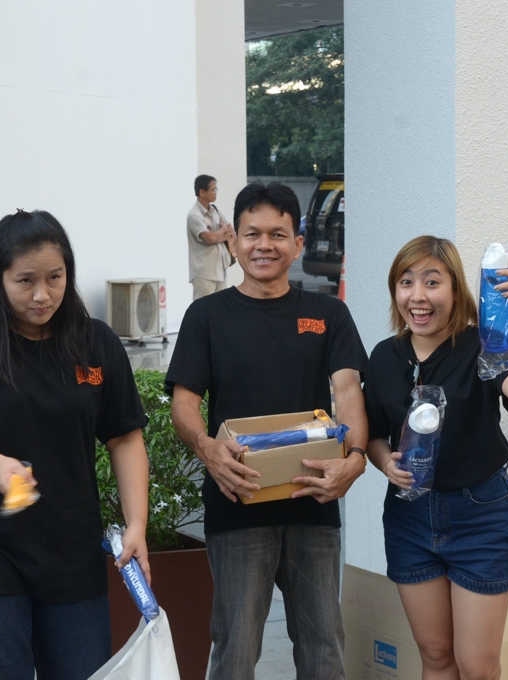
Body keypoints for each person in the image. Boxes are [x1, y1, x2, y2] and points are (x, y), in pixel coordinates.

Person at [0, 210, 150, 680]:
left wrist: (136, 525)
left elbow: (125, 438)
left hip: (72, 551)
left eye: (55, 278)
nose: (42, 294)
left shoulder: (96, 343)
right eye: (25, 281)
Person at [166, 181, 369, 680]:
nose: (264, 245)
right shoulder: (206, 316)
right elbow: (184, 404)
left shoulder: (328, 314)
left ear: (297, 244)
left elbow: (347, 391)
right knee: (235, 649)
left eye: (278, 234)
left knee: (324, 647)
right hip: (238, 502)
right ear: (234, 241)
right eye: (252, 233)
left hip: (313, 500)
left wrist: (356, 457)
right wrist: (207, 448)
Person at [362, 236, 508, 680]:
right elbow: (373, 435)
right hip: (409, 519)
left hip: (480, 515)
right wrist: (386, 464)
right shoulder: (384, 356)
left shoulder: (482, 344)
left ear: (456, 291)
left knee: (478, 666)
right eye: (406, 282)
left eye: (432, 282)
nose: (417, 296)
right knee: (437, 658)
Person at [188, 174, 234, 300]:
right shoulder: (194, 216)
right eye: (213, 190)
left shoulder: (215, 210)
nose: (215, 193)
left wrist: (217, 235)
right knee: (203, 308)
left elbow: (231, 232)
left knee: (221, 307)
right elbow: (211, 238)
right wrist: (222, 230)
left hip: (220, 269)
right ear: (202, 192)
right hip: (204, 273)